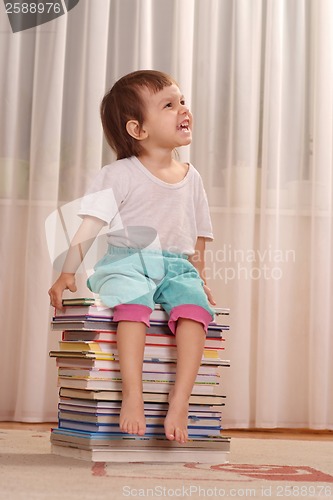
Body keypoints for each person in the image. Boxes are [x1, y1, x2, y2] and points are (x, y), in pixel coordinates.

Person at [48, 70, 216, 445]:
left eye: (182, 101)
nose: (183, 110)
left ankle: (180, 401)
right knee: (133, 306)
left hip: (176, 265)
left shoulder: (194, 178)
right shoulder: (119, 174)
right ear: (138, 130)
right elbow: (90, 226)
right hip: (126, 261)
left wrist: (200, 280)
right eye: (169, 105)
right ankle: (133, 395)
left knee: (195, 311)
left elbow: (199, 238)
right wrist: (66, 273)